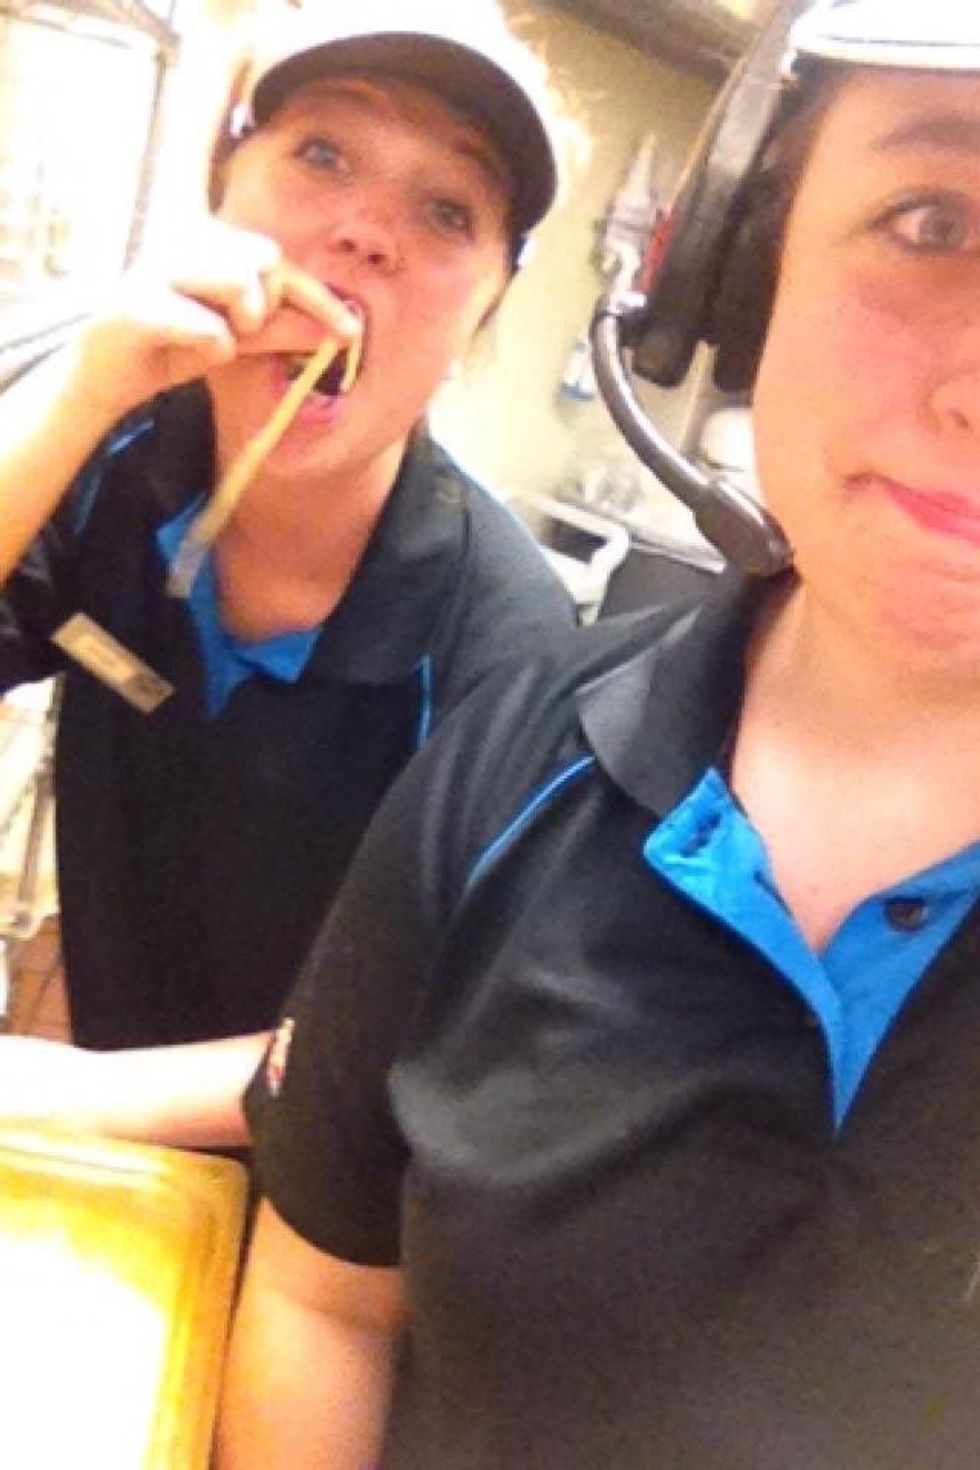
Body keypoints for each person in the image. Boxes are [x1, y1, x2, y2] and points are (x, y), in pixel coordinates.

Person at [217, 1, 980, 1465]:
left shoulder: (481, 604)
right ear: (742, 267)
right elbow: (324, 1299)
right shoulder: (516, 753)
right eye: (930, 222)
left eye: (444, 212)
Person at [0, 5, 574, 1143]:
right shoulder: (109, 448)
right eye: (322, 153)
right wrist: (79, 394)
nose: (367, 233)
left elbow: (428, 1037)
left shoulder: (506, 645)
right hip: (106, 1137)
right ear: (221, 188)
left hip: (318, 1181)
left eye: (447, 210)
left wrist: (53, 1093)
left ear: (486, 304)